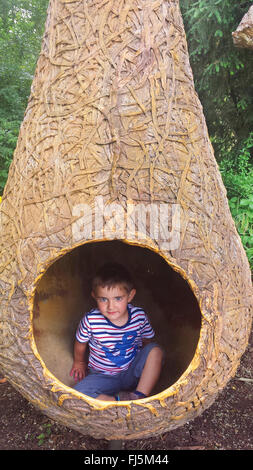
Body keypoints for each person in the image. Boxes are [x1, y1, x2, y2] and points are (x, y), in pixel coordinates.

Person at [70, 262, 163, 401]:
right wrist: (79, 362)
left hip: (131, 371)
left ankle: (139, 395)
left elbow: (146, 341)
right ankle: (118, 401)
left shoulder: (139, 316)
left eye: (118, 298)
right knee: (78, 393)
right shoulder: (91, 320)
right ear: (95, 296)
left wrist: (144, 362)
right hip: (103, 376)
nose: (111, 306)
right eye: (103, 299)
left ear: (130, 296)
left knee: (156, 350)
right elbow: (80, 343)